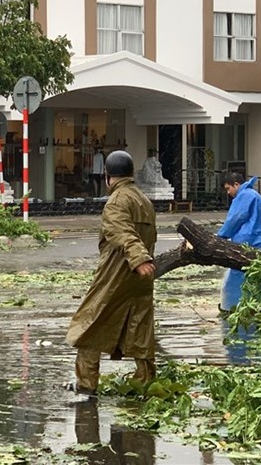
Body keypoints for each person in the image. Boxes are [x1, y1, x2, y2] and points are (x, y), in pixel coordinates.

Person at [66, 150, 157, 396]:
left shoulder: (117, 201)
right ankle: (145, 382)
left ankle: (86, 384)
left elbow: (121, 231)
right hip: (140, 278)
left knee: (89, 324)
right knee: (140, 327)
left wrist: (138, 258)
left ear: (107, 176)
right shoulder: (144, 201)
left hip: (117, 273)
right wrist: (142, 260)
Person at [218, 172, 261, 312]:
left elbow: (235, 219)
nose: (228, 193)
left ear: (236, 184)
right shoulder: (254, 195)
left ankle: (236, 308)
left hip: (250, 241)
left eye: (228, 188)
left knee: (239, 276)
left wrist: (220, 236)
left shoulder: (244, 196)